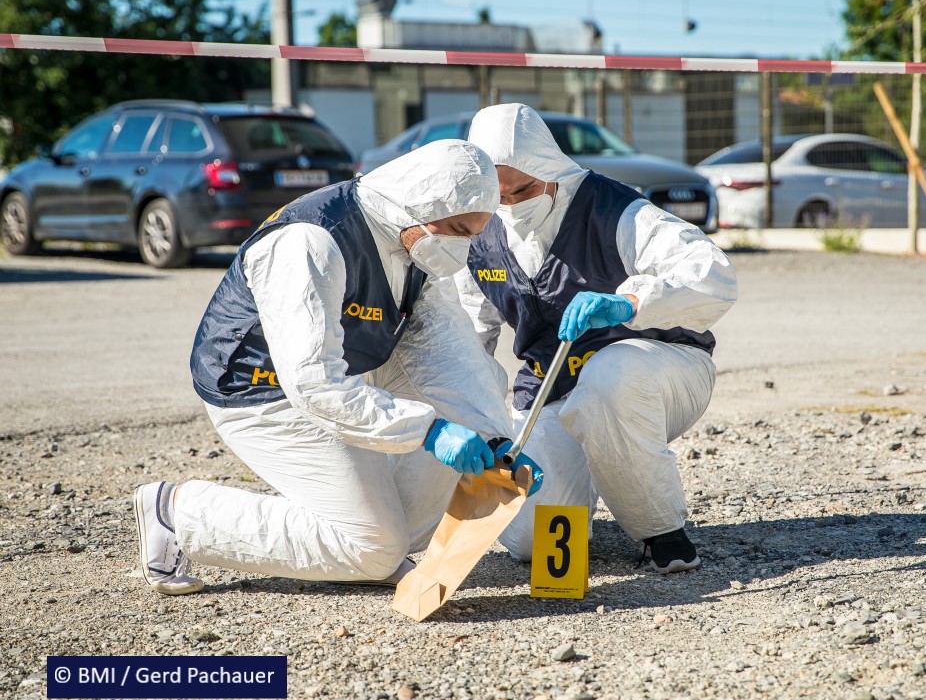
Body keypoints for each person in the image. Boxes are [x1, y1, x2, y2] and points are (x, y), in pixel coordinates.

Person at [133, 140, 540, 596]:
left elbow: (449, 351)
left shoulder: (415, 240)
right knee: (375, 546)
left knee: (463, 427)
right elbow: (312, 382)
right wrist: (427, 430)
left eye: (473, 235)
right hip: (262, 392)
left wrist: (495, 437)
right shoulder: (311, 242)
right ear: (418, 205)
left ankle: (370, 540)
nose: (461, 249)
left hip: (345, 378)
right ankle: (178, 514)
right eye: (457, 230)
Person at [456, 103, 738, 574]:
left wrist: (630, 302)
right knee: (528, 540)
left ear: (548, 167)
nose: (509, 205)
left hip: (657, 374)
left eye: (522, 189)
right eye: (496, 195)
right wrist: (479, 425)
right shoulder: (478, 234)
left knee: (609, 376)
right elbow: (466, 341)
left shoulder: (614, 209)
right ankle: (600, 473)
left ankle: (660, 529)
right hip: (550, 391)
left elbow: (713, 273)